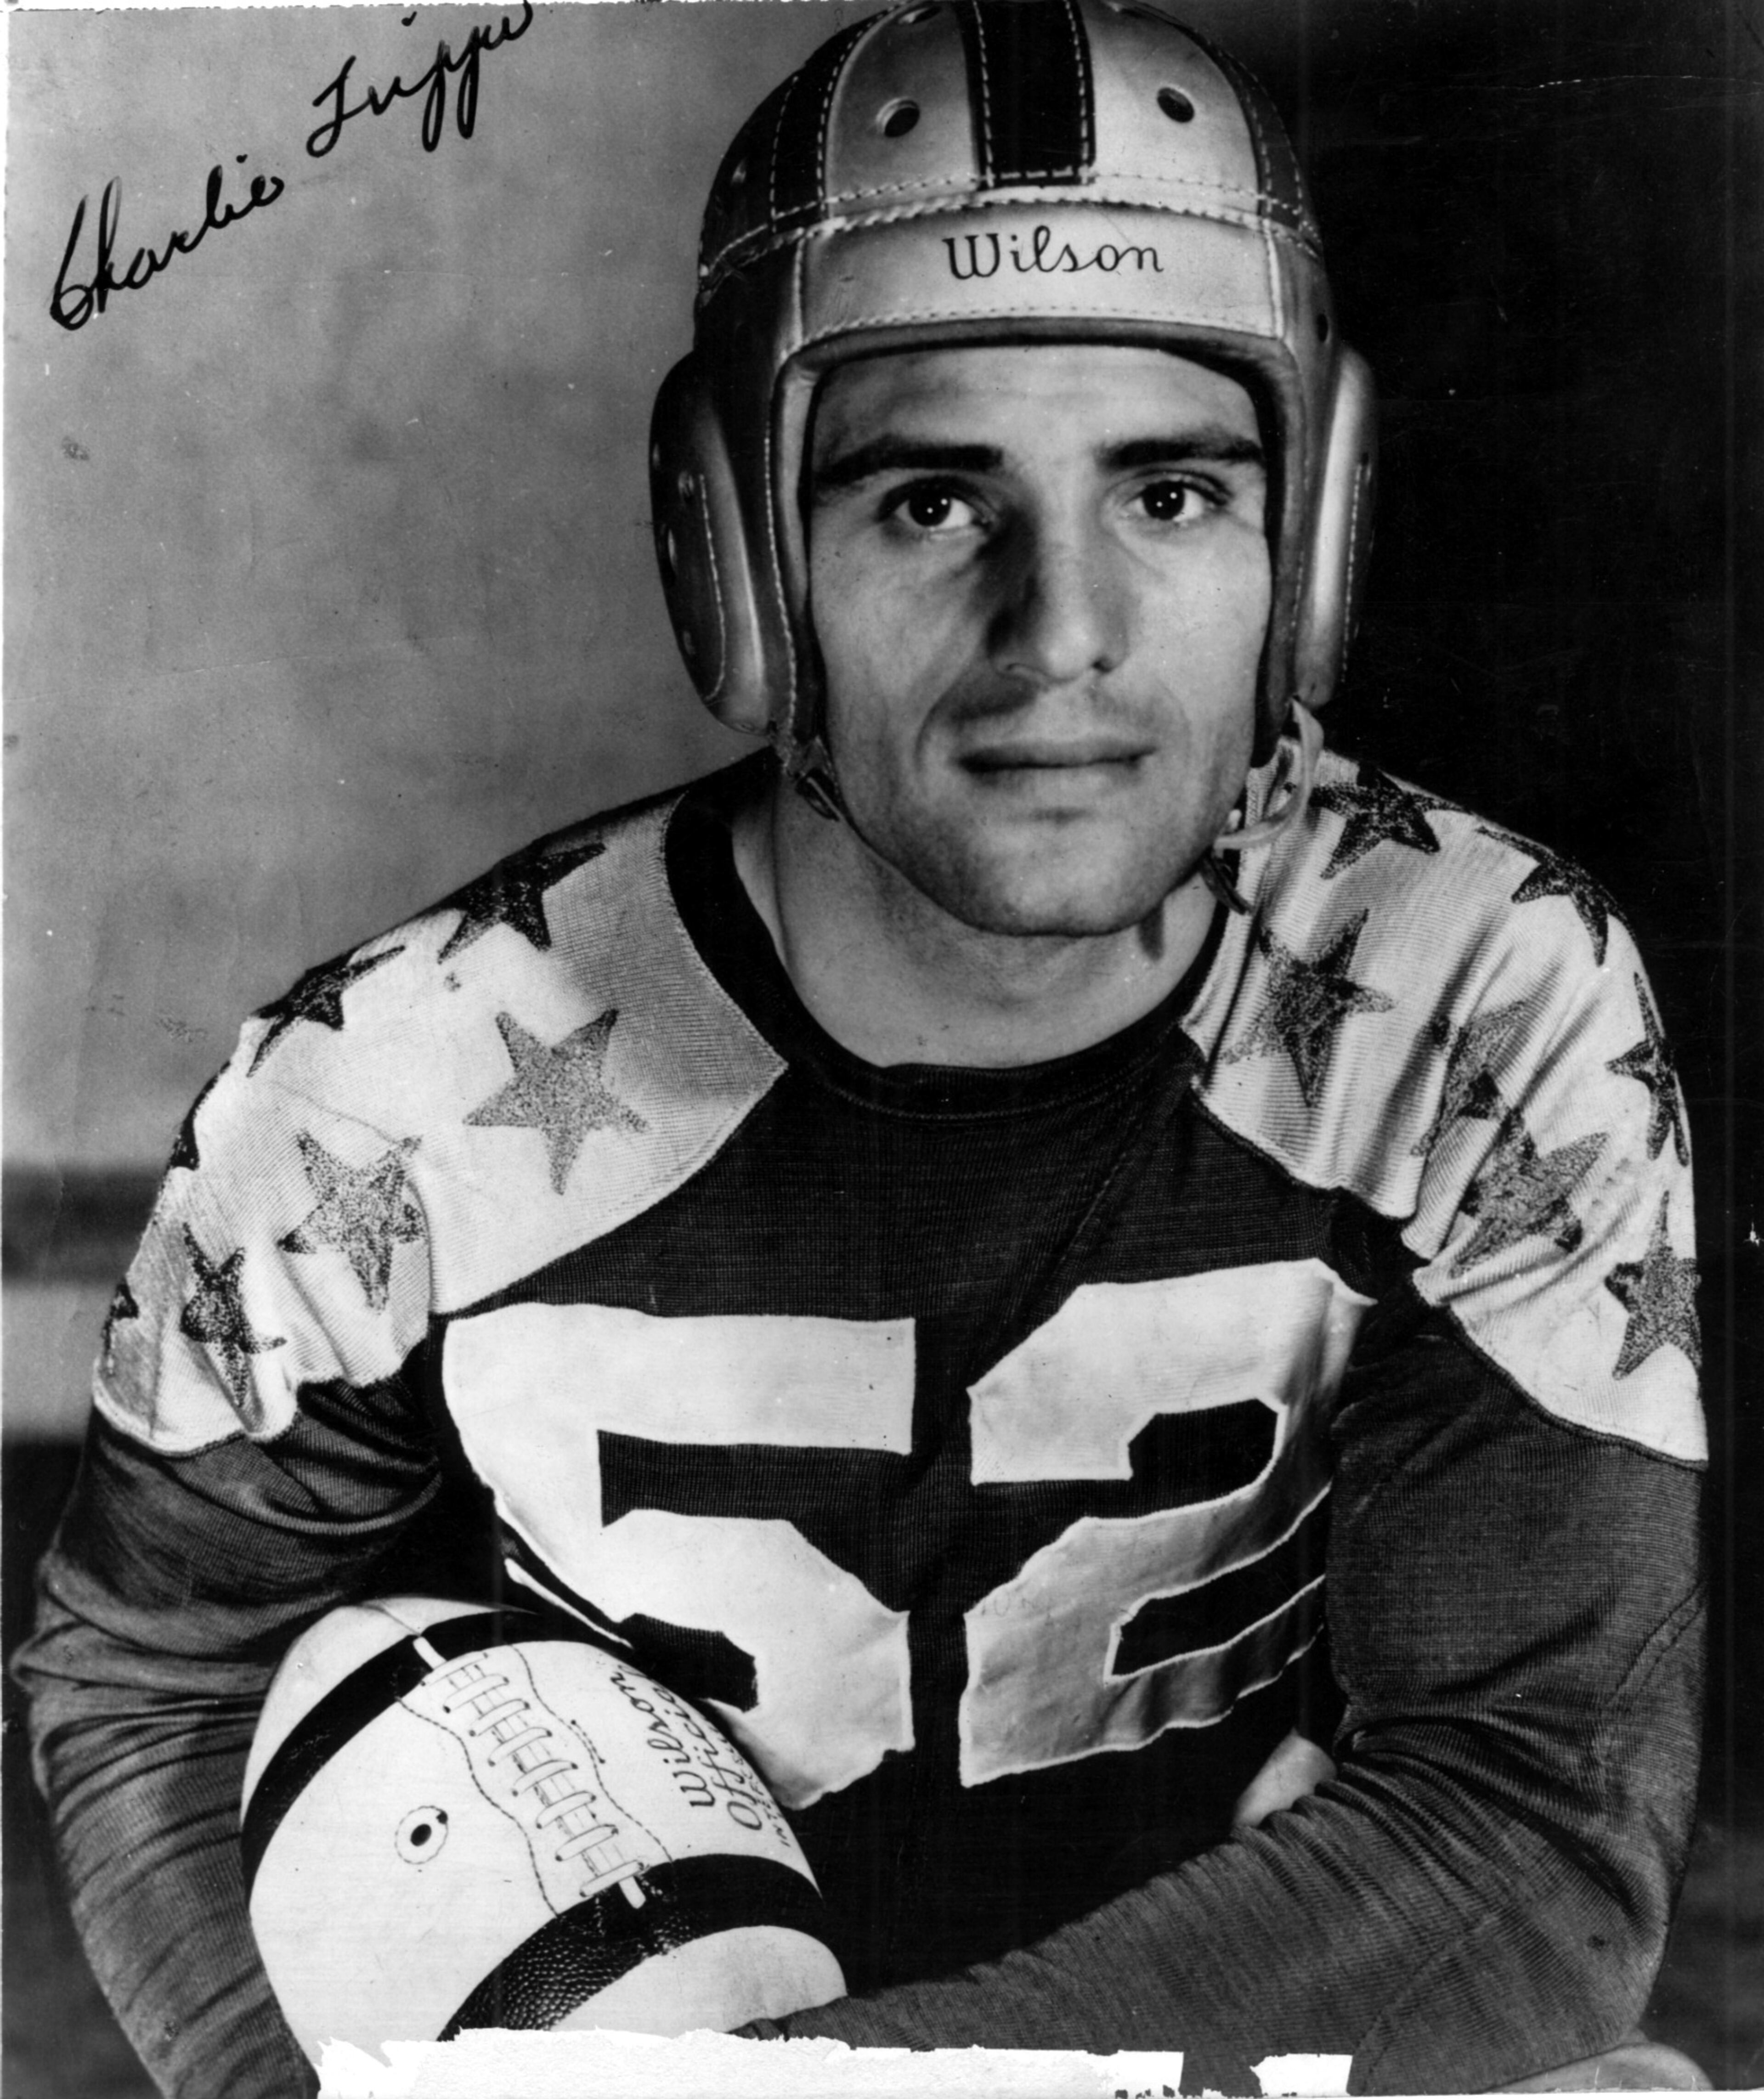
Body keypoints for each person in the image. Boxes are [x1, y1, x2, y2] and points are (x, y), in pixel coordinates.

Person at [17, 4, 1707, 2094]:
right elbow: (157, 1677)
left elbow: (1529, 1819)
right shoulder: (395, 1090)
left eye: (1174, 492)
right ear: (735, 549)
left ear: (1314, 544)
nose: (1062, 631)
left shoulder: (1477, 997)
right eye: (928, 504)